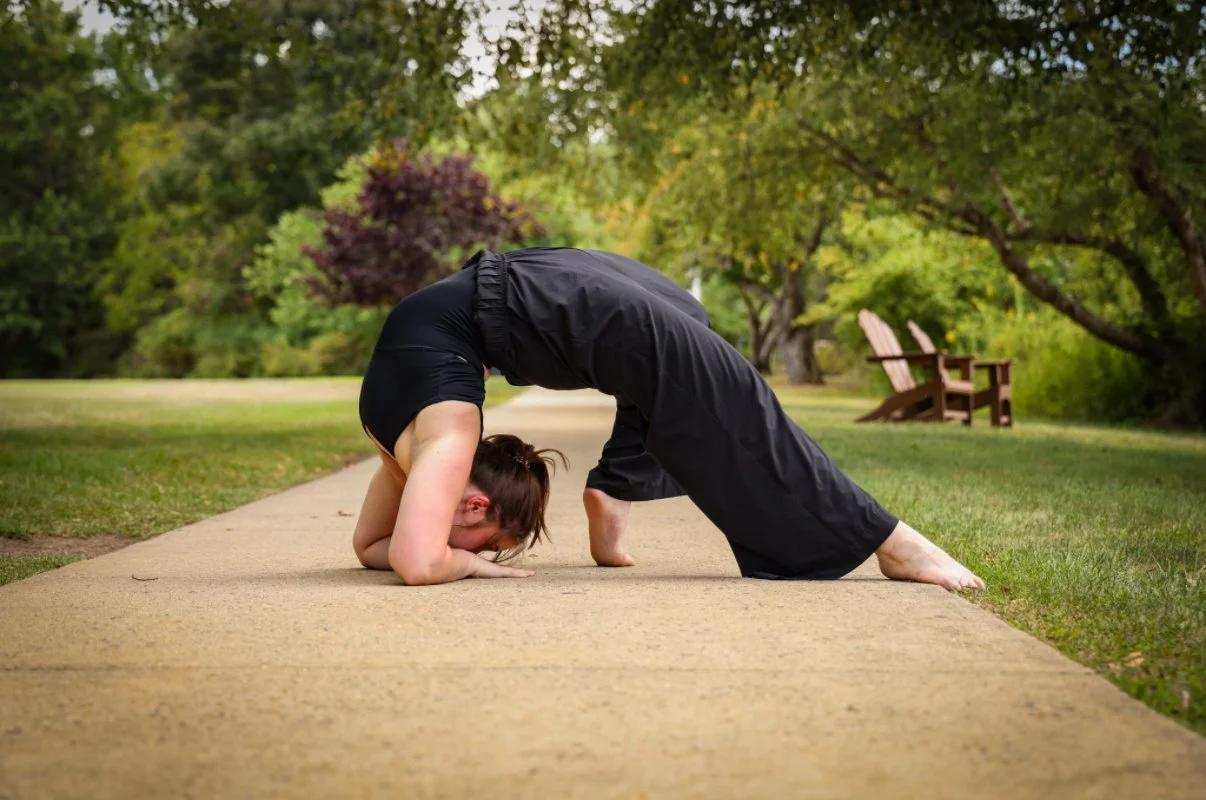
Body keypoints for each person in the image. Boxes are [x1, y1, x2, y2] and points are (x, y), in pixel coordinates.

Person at [352, 247, 985, 591]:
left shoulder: (450, 438)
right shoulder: (407, 452)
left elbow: (413, 560)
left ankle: (894, 544)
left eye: (485, 547)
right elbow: (374, 548)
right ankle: (619, 483)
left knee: (734, 399)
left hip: (551, 301)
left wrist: (455, 563)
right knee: (690, 316)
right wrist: (457, 554)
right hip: (531, 279)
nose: (478, 556)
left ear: (471, 505)